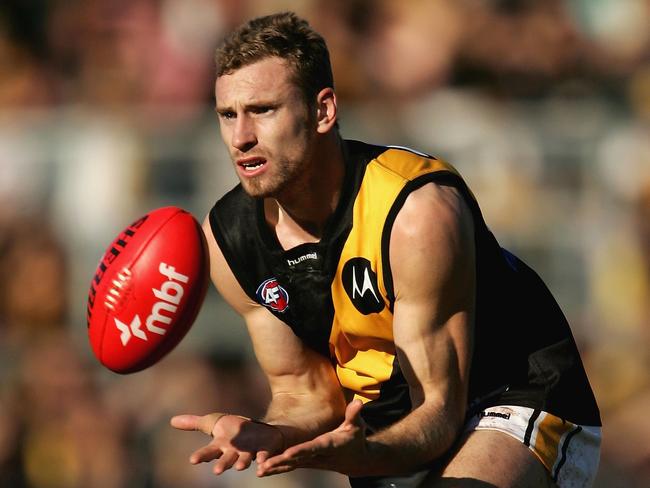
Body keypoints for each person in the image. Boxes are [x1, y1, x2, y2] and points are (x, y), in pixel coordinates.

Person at [170, 11, 602, 488]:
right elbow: (305, 391)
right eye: (228, 115)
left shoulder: (415, 213)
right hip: (388, 427)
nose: (240, 138)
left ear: (323, 111)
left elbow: (439, 409)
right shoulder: (228, 239)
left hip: (508, 396)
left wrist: (367, 454)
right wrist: (271, 433)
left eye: (263, 110)